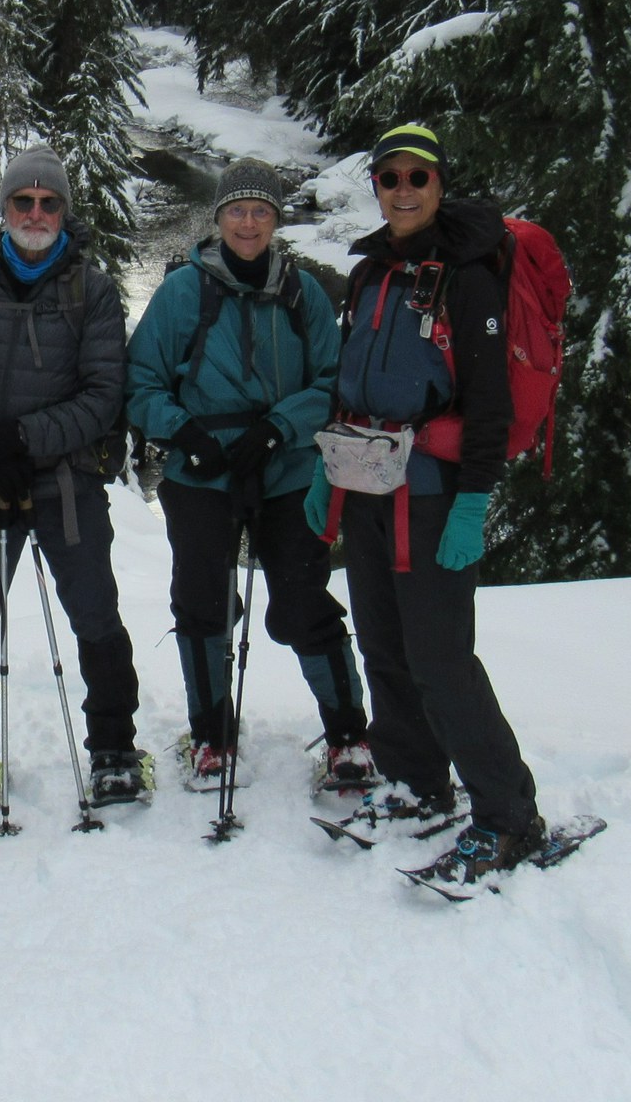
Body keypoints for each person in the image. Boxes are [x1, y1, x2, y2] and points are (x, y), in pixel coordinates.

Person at [306, 123, 544, 881]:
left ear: (440, 184)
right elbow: (350, 381)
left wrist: (474, 502)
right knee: (383, 647)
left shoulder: (468, 278)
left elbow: (491, 406)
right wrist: (326, 468)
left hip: (435, 499)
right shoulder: (371, 272)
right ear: (376, 187)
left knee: (440, 661)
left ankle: (509, 816)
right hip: (367, 487)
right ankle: (416, 783)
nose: (403, 190)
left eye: (418, 177)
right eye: (390, 178)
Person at [126, 159, 372, 790]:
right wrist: (185, 434)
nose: (248, 222)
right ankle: (212, 737)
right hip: (200, 468)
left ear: (276, 220)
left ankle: (348, 738)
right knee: (202, 601)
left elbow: (333, 383)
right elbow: (141, 379)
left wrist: (278, 429)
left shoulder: (303, 292)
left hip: (287, 467)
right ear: (218, 217)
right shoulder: (183, 291)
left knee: (302, 599)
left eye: (261, 211)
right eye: (237, 210)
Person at [0, 144, 144, 811]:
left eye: (48, 202)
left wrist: (20, 437)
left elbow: (103, 395)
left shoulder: (91, 291)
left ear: (64, 211)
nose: (35, 213)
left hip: (66, 481)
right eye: (23, 201)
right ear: (5, 207)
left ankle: (114, 748)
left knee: (94, 612)